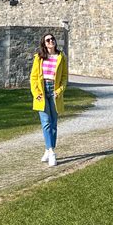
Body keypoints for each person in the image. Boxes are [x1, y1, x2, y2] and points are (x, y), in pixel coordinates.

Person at [30, 32, 68, 167]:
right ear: (44, 43)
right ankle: (51, 152)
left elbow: (64, 77)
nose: (51, 41)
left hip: (54, 91)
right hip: (42, 91)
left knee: (53, 123)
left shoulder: (61, 57)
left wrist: (59, 91)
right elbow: (34, 77)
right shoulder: (38, 57)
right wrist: (36, 93)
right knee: (45, 122)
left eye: (52, 39)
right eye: (48, 40)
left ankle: (48, 148)